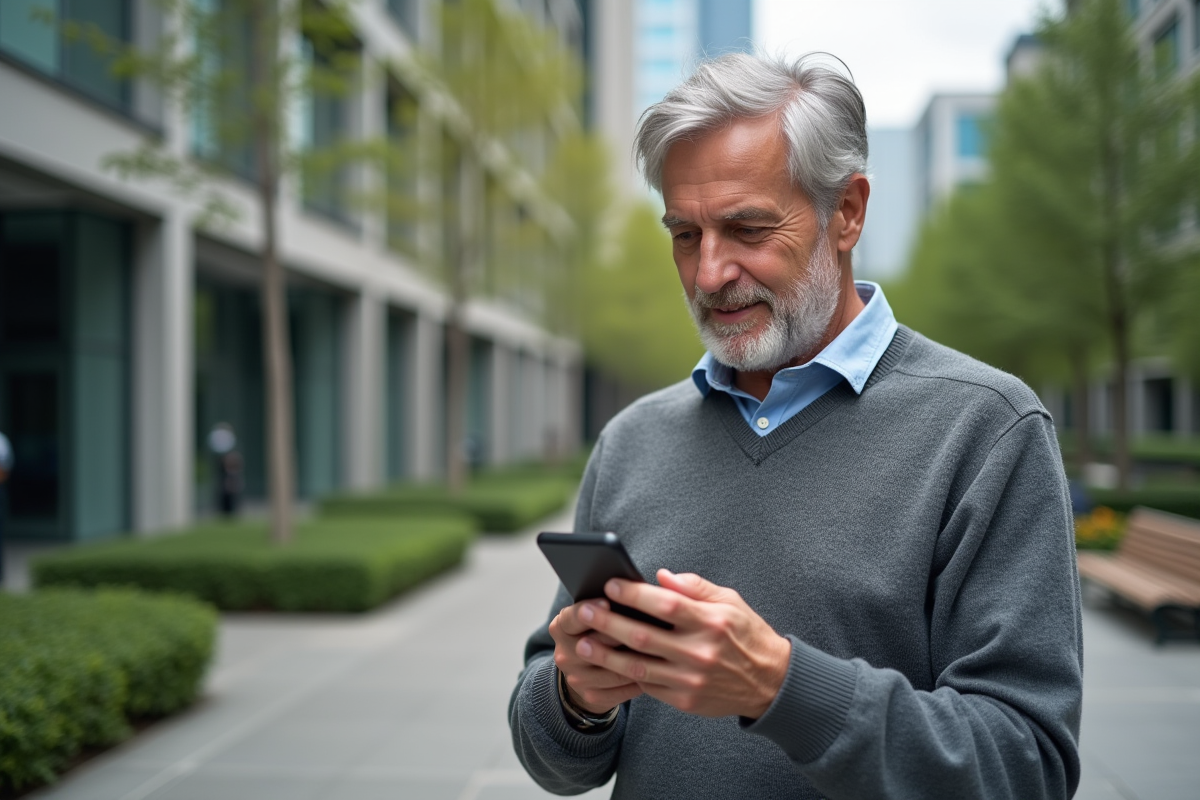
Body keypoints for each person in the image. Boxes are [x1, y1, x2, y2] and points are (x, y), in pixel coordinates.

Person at [508, 53, 1082, 800]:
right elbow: (553, 759)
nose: (708, 273)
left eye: (746, 228)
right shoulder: (631, 440)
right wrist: (576, 699)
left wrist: (780, 688)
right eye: (685, 235)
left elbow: (1025, 767)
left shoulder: (987, 430)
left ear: (847, 212)